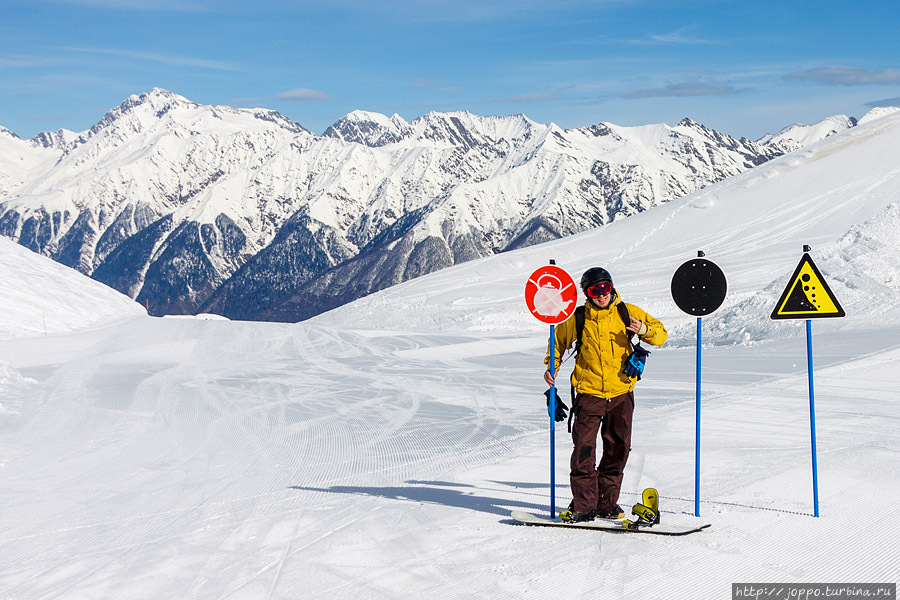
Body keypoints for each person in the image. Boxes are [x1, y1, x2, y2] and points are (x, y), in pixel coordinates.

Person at [543, 267, 667, 522]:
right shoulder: (577, 318)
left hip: (622, 393)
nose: (601, 295)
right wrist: (551, 366)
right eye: (594, 290)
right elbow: (557, 344)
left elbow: (661, 335)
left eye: (605, 288)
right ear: (586, 294)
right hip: (589, 394)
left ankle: (607, 504)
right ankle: (584, 505)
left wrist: (643, 330)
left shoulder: (627, 312)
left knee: (618, 450)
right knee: (584, 452)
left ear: (611, 287)